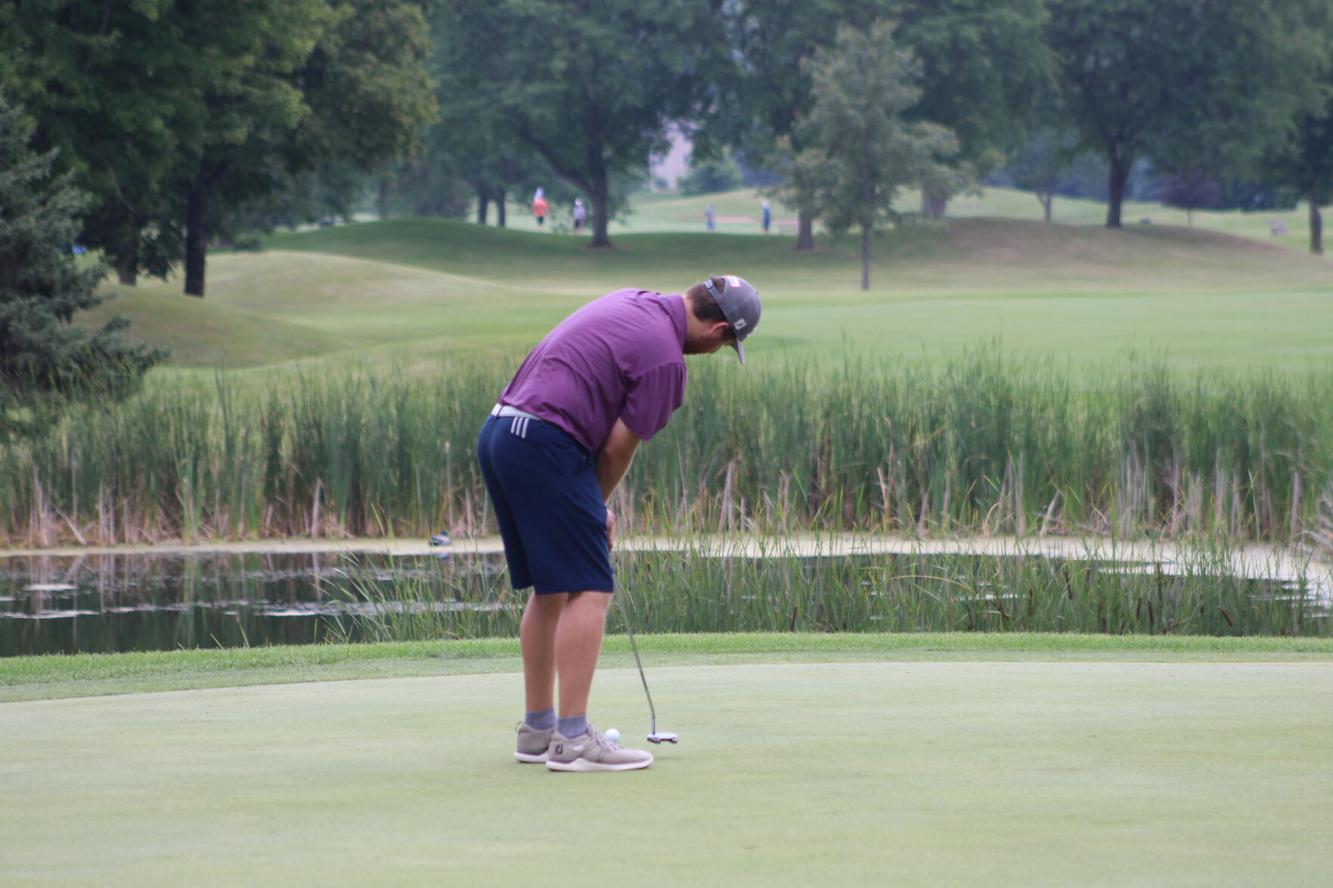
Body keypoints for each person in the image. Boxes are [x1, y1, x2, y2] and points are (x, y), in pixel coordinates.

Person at [478, 276, 761, 772]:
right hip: (546, 441)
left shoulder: (637, 300)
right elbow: (613, 451)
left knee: (551, 588)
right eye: (726, 344)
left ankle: (537, 731)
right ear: (718, 331)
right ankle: (572, 741)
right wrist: (596, 508)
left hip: (502, 432)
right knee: (590, 586)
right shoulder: (667, 362)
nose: (716, 350)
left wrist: (587, 507)